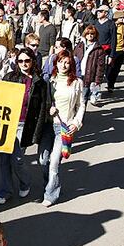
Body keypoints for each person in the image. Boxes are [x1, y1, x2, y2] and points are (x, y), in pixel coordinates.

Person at [0, 48, 46, 205]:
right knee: (4, 159)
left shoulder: (39, 81)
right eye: (20, 61)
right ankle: (6, 190)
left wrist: (37, 132)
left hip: (25, 124)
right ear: (16, 62)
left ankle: (25, 182)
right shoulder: (10, 77)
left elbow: (42, 106)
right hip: (7, 122)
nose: (24, 64)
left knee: (17, 158)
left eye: (27, 60)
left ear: (32, 61)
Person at [40, 50, 85, 207]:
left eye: (67, 62)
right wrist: (48, 110)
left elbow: (81, 105)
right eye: (60, 62)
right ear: (56, 63)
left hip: (63, 126)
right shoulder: (49, 80)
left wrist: (76, 123)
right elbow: (42, 101)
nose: (63, 65)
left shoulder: (77, 82)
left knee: (54, 162)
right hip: (47, 125)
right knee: (43, 160)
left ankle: (51, 194)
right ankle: (50, 183)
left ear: (71, 64)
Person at [74, 25, 106, 104]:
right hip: (77, 74)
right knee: (74, 98)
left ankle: (81, 115)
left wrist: (97, 81)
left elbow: (100, 67)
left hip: (88, 76)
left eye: (92, 33)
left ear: (95, 35)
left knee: (83, 99)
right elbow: (74, 59)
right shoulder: (79, 45)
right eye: (88, 34)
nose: (90, 35)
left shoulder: (99, 49)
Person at [107, 10, 124, 92]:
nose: (123, 19)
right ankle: (109, 80)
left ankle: (111, 85)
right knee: (109, 69)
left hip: (120, 50)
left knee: (116, 69)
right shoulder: (110, 25)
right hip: (111, 50)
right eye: (121, 17)